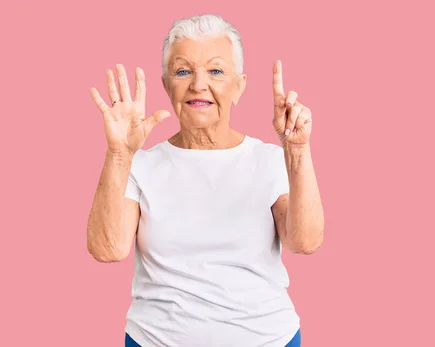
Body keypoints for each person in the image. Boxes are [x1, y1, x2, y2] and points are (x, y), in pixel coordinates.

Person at [86, 14, 324, 347]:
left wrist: (297, 150)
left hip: (268, 339)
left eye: (215, 71)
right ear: (167, 86)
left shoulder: (269, 160)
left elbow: (305, 241)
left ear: (239, 85)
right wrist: (119, 155)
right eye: (183, 71)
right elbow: (108, 249)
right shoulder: (140, 165)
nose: (198, 84)